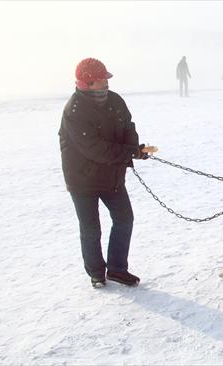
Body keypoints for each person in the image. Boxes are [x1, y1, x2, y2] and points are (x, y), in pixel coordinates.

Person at [59, 58, 157, 288]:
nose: (106, 83)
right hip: (82, 180)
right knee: (91, 228)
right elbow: (95, 149)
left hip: (111, 175)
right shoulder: (74, 111)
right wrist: (128, 153)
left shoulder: (115, 100)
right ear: (87, 82)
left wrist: (135, 148)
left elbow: (128, 127)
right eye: (101, 79)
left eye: (106, 78)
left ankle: (117, 269)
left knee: (124, 220)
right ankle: (96, 272)